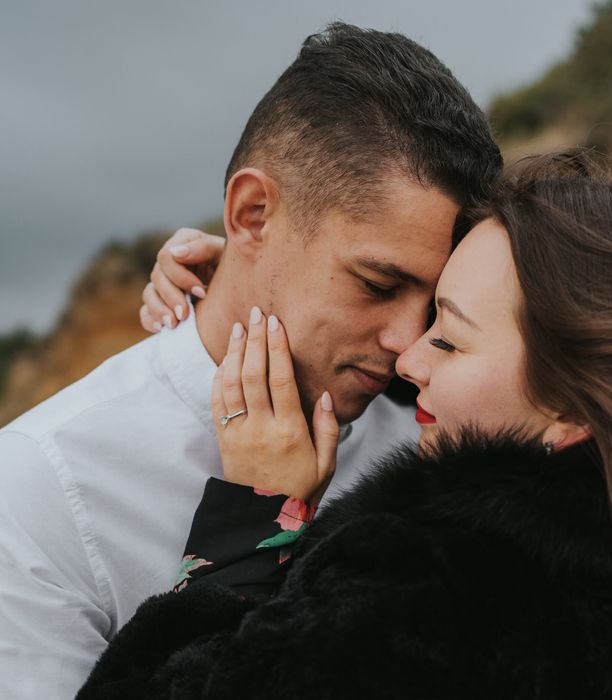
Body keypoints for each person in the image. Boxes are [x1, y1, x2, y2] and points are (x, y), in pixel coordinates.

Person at [78, 153, 612, 699]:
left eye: (448, 335)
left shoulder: (422, 590)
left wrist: (250, 525)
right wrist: (258, 269)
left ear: (578, 405)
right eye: (389, 290)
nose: (407, 359)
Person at [0, 24, 501, 698]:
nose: (410, 347)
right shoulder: (37, 492)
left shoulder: (446, 424)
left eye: (436, 305)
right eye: (378, 286)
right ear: (252, 214)